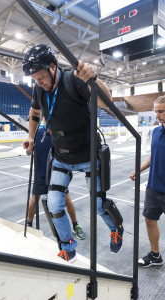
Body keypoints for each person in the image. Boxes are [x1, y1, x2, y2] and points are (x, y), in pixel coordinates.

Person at [22, 44, 124, 262]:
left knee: (98, 205)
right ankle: (68, 247)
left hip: (88, 155)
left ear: (52, 67)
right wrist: (31, 137)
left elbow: (105, 102)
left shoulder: (74, 80)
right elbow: (34, 111)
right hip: (61, 156)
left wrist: (93, 79)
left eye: (40, 77)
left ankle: (116, 228)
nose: (38, 82)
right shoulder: (39, 88)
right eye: (34, 79)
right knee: (54, 204)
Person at [24, 124, 85, 240]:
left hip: (58, 174)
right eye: (45, 118)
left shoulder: (61, 134)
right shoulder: (36, 133)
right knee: (33, 200)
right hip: (40, 174)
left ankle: (75, 225)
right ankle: (29, 224)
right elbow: (28, 153)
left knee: (67, 199)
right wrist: (29, 149)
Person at [130, 95, 165, 267]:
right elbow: (153, 155)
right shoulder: (156, 131)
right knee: (150, 220)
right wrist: (139, 169)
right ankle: (155, 256)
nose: (157, 115)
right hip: (153, 187)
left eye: (161, 111)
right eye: (156, 111)